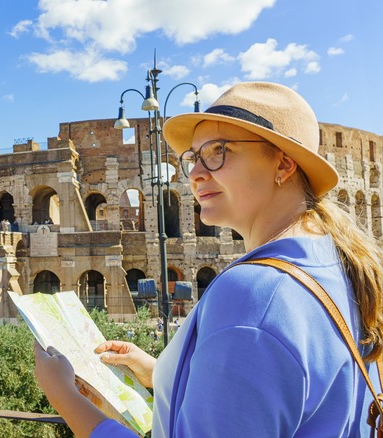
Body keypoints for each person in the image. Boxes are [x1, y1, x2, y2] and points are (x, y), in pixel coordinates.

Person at [33, 82, 383, 437]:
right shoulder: (336, 264)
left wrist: (64, 396)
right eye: (193, 157)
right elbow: (281, 387)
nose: (196, 174)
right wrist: (163, 371)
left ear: (284, 163)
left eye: (218, 151)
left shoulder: (254, 295)